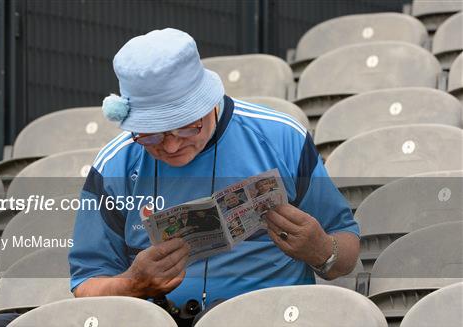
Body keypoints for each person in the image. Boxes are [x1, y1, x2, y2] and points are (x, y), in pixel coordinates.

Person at [69, 28, 360, 317]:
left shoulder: (283, 138)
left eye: (186, 127)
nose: (170, 146)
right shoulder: (114, 164)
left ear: (209, 101)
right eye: (151, 135)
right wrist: (132, 283)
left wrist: (322, 250)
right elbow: (85, 284)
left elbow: (346, 249)